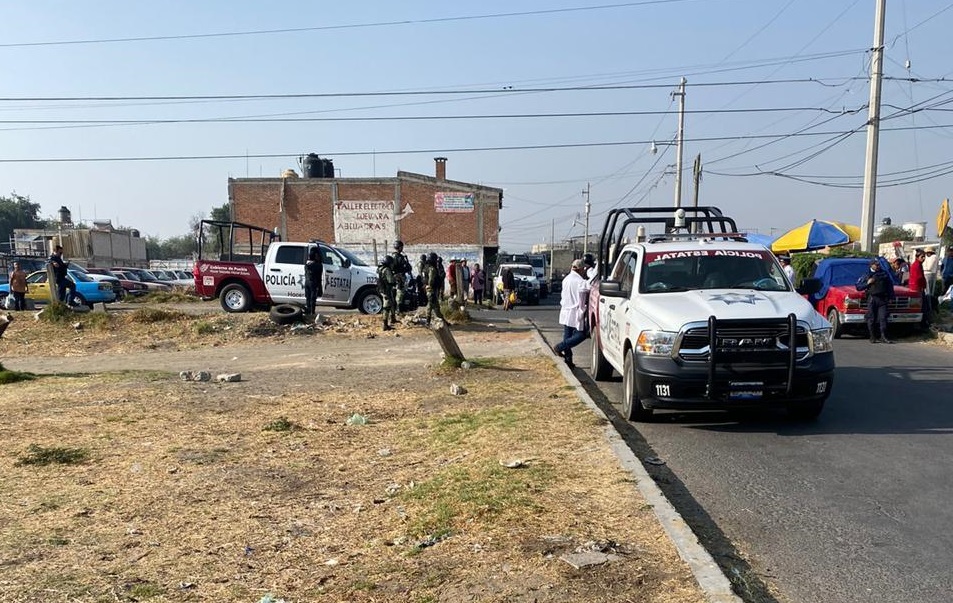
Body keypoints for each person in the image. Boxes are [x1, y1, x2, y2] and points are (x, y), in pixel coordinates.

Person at [553, 259, 592, 368]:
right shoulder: (579, 282)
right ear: (581, 269)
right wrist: (592, 272)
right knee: (582, 335)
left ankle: (568, 360)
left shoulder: (566, 279)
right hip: (575, 311)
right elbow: (590, 286)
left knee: (568, 335)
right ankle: (559, 347)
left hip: (566, 311)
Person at [856, 259, 894, 344]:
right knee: (871, 318)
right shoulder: (866, 275)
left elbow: (889, 286)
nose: (878, 266)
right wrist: (868, 283)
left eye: (879, 264)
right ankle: (872, 336)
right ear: (871, 265)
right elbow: (858, 286)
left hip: (883, 299)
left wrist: (891, 297)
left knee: (883, 318)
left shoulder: (884, 274)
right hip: (872, 299)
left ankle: (883, 336)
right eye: (876, 264)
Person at [909, 249, 930, 330]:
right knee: (922, 307)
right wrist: (922, 286)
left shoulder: (918, 264)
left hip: (918, 288)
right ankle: (922, 325)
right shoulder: (916, 265)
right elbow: (918, 278)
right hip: (917, 288)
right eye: (922, 257)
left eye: (924, 257)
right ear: (917, 257)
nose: (923, 258)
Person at [390, 240, 412, 313]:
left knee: (396, 292)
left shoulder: (392, 256)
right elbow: (404, 267)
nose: (402, 248)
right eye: (401, 247)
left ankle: (396, 307)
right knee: (400, 292)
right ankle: (399, 308)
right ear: (399, 247)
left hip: (394, 276)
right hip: (399, 276)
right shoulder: (399, 257)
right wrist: (407, 265)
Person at [377, 255, 398, 331]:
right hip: (386, 290)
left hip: (382, 289)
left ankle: (392, 319)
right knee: (386, 307)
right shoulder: (387, 270)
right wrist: (395, 278)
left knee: (391, 303)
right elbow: (391, 281)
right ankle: (385, 325)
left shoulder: (380, 269)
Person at [423, 253, 444, 325]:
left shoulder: (426, 267)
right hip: (431, 289)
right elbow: (431, 280)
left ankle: (442, 320)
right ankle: (427, 321)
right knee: (430, 304)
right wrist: (430, 287)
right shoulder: (431, 268)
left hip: (429, 288)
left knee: (436, 305)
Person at [303, 246, 323, 316]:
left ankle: (308, 311)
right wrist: (319, 287)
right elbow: (319, 277)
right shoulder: (317, 265)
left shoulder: (307, 264)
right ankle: (312, 312)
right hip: (313, 282)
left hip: (307, 282)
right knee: (312, 298)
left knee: (308, 297)